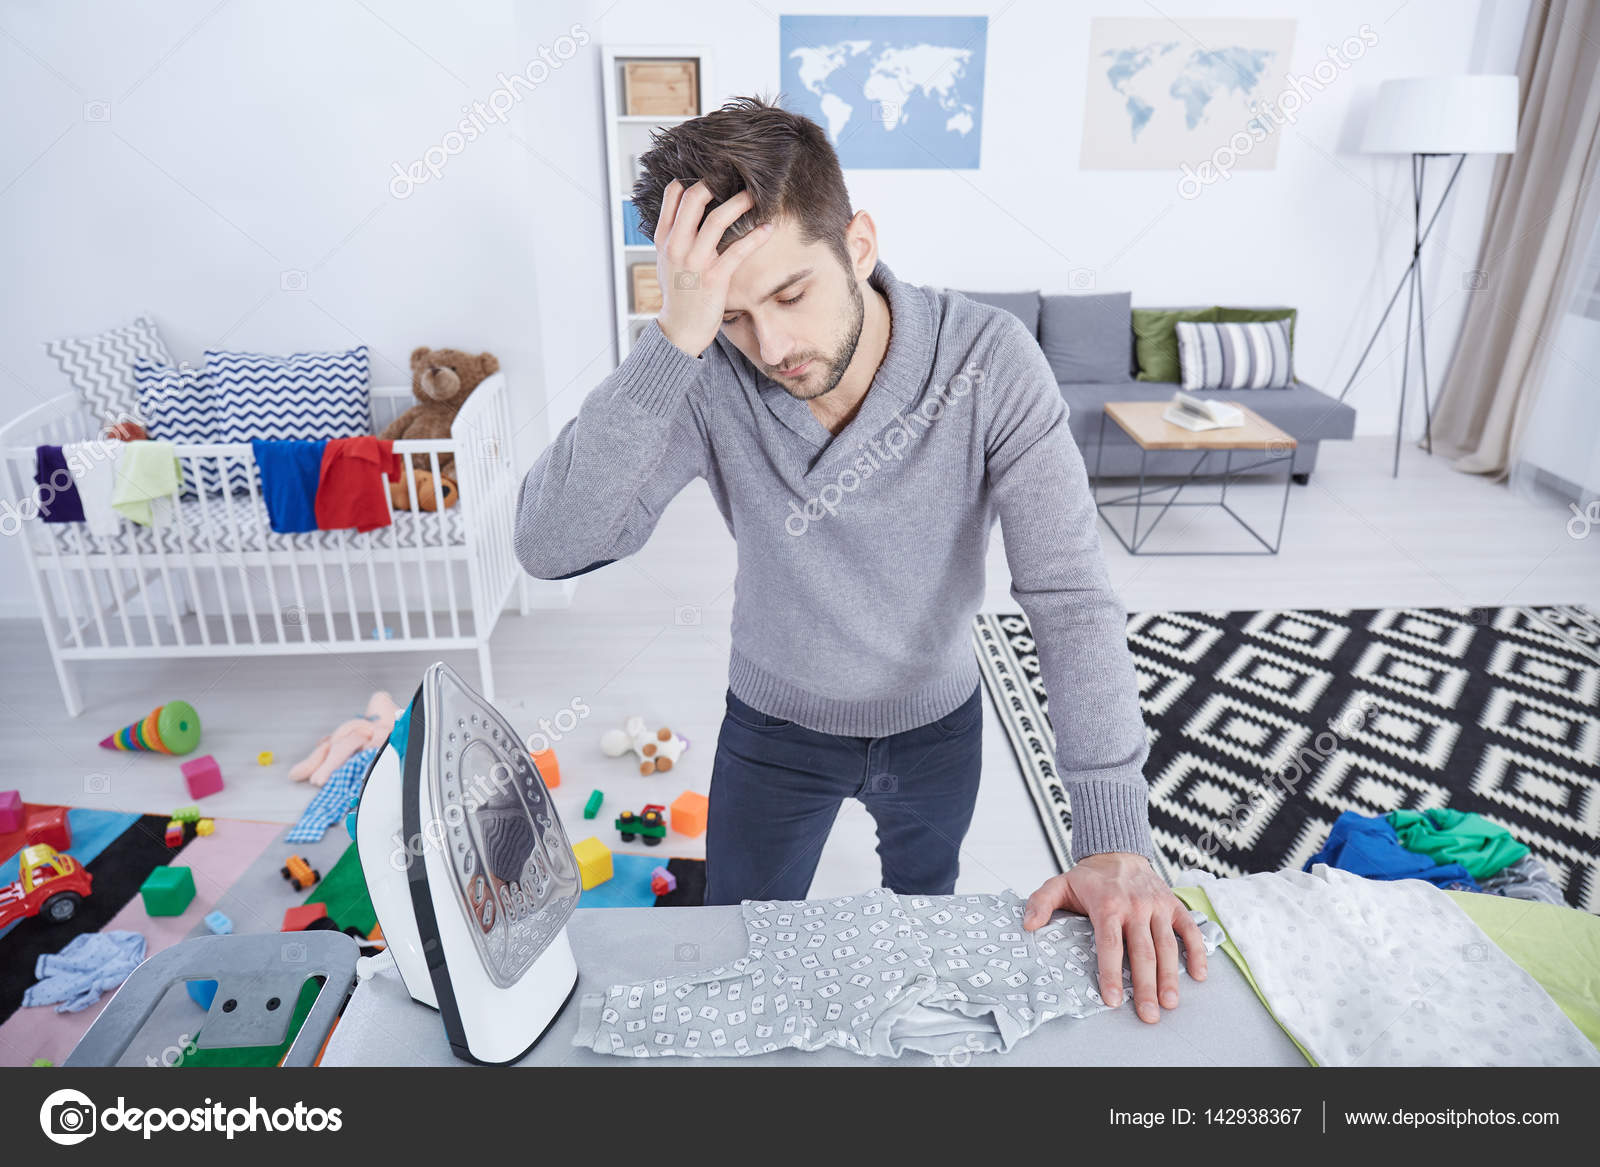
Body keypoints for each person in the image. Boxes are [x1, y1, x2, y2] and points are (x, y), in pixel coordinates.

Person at [514, 96, 1205, 1023]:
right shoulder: (708, 371)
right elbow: (552, 543)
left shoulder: (989, 362)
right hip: (772, 728)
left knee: (926, 924)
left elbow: (1071, 597)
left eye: (792, 294)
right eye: (733, 316)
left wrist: (1114, 836)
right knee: (740, 944)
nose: (774, 348)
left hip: (938, 725)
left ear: (860, 244)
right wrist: (675, 340)